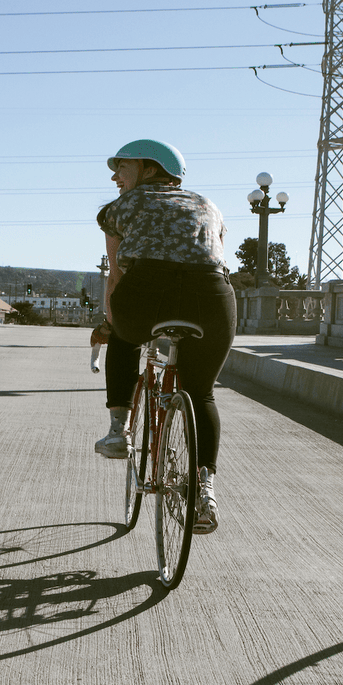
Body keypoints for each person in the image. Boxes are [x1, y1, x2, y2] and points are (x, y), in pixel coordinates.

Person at [91, 139, 235, 534]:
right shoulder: (209, 205)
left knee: (123, 336)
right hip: (213, 298)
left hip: (147, 291)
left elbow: (116, 273)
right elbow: (217, 255)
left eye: (123, 166)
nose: (115, 175)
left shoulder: (123, 207)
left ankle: (119, 433)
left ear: (150, 169)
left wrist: (109, 323)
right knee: (201, 392)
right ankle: (205, 490)